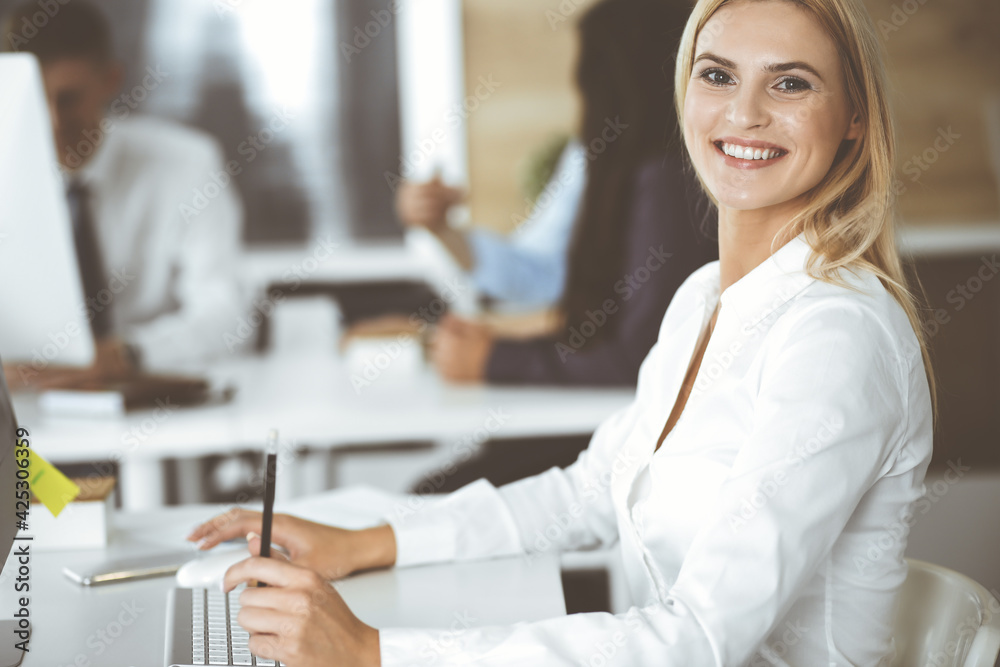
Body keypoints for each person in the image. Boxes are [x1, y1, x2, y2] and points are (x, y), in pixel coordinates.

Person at [188, 0, 936, 663]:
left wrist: (372, 652)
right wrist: (366, 541)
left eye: (790, 82)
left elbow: (697, 640)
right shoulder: (704, 297)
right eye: (716, 75)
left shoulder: (838, 335)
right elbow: (587, 492)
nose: (743, 113)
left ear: (855, 118)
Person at [400, 0, 717, 387]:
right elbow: (543, 273)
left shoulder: (671, 179)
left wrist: (498, 360)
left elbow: (641, 353)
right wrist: (441, 230)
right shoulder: (596, 157)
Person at [2, 1, 245, 386]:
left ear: (110, 79)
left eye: (68, 99)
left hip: (155, 396)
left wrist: (130, 353)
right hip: (30, 410)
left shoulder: (186, 164)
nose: (52, 122)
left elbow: (226, 315)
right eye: (35, 101)